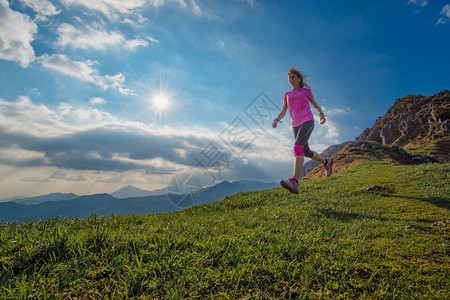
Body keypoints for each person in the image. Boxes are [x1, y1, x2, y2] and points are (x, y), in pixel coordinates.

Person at [272, 67, 333, 194]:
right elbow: (284, 111)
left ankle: (294, 181)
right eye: (289, 77)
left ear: (299, 79)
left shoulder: (306, 91)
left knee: (297, 147)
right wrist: (276, 120)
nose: (291, 79)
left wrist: (321, 114)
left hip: (307, 121)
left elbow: (315, 105)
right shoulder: (287, 95)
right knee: (306, 152)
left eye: (293, 77)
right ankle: (326, 161)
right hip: (295, 125)